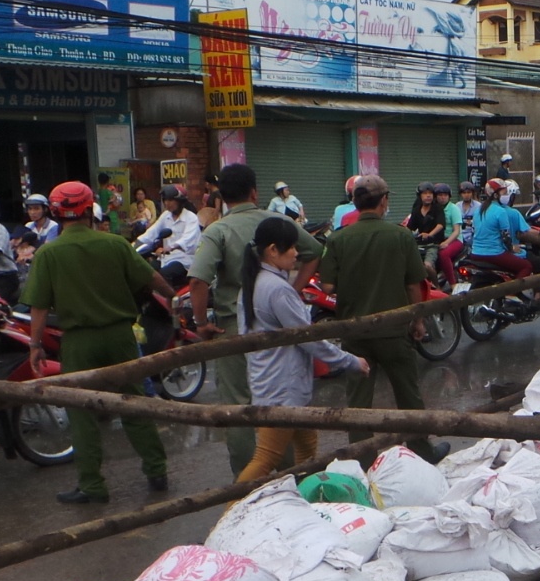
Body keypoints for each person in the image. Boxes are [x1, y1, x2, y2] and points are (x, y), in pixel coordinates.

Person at [24, 180, 174, 503]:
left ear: (55, 212)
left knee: (82, 412)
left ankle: (92, 485)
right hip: (120, 337)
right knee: (134, 404)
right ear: (90, 208)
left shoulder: (49, 253)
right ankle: (156, 470)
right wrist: (176, 299)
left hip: (79, 342)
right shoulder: (115, 244)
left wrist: (35, 346)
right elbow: (152, 278)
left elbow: (38, 307)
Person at [189, 162, 324, 477]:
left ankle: (248, 480)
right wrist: (290, 292)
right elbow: (314, 251)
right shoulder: (276, 220)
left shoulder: (218, 230)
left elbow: (197, 281)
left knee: (239, 406)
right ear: (254, 192)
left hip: (233, 328)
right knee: (280, 401)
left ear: (221, 196)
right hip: (276, 326)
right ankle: (290, 475)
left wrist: (200, 324)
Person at [318, 175, 445, 462]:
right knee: (408, 395)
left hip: (355, 334)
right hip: (394, 331)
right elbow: (415, 284)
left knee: (359, 402)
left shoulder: (338, 239)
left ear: (355, 203)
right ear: (384, 201)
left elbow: (326, 287)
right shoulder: (400, 236)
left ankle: (361, 460)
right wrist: (418, 321)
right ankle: (422, 451)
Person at [235, 217, 368, 482]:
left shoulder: (252, 284)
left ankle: (306, 501)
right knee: (266, 459)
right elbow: (310, 338)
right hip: (282, 390)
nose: (297, 253)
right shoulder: (277, 289)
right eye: (292, 247)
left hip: (271, 382)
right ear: (273, 250)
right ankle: (230, 511)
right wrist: (351, 361)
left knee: (307, 446)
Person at [469, 178, 540, 281]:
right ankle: (511, 291)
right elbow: (506, 237)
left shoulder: (478, 210)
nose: (506, 195)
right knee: (526, 266)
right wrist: (512, 249)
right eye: (504, 192)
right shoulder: (500, 211)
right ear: (495, 195)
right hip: (494, 254)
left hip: (475, 253)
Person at [136, 186, 202, 286]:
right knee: (147, 272)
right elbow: (152, 232)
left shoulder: (191, 217)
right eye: (165, 200)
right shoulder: (165, 215)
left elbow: (187, 239)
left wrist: (170, 247)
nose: (167, 203)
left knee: (164, 274)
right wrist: (134, 245)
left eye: (171, 200)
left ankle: (170, 299)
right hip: (165, 258)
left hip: (184, 259)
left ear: (179, 201)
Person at [438, 180, 484, 286]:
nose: (466, 195)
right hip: (459, 235)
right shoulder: (457, 206)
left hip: (471, 237)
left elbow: (479, 225)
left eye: (468, 192)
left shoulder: (478, 206)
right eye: (464, 193)